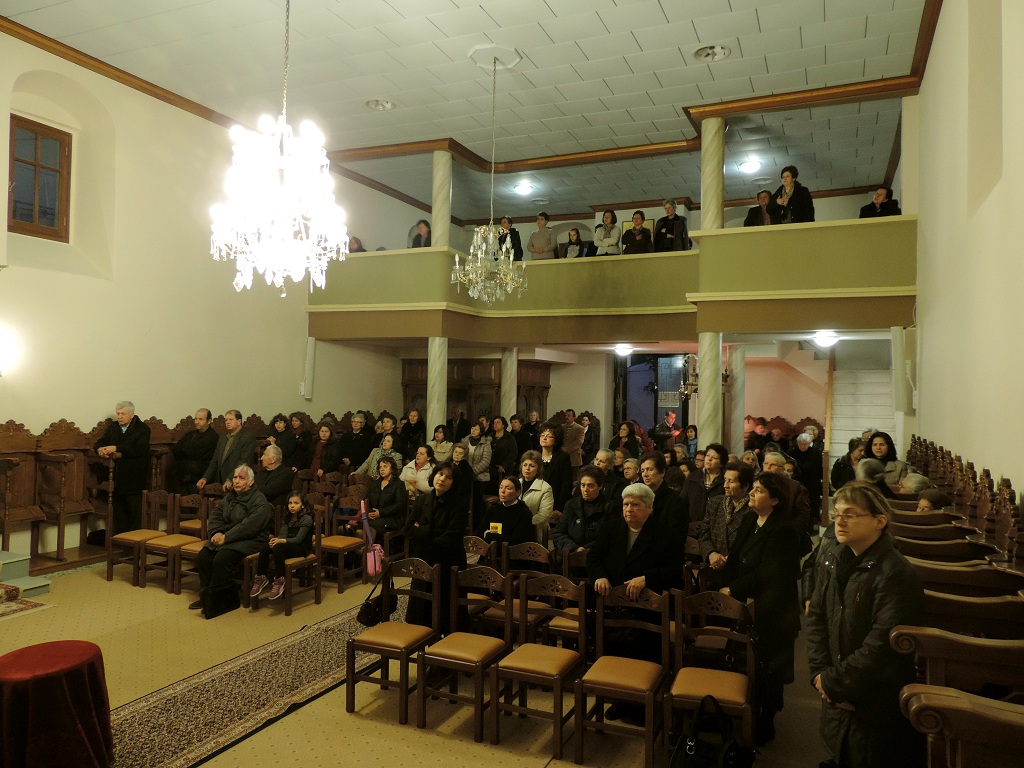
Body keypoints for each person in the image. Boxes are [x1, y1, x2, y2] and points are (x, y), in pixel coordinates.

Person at [807, 482, 925, 768]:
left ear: (879, 522)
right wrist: (820, 675)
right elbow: (817, 618)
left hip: (875, 700)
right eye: (837, 513)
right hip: (837, 691)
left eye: (850, 514)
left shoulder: (895, 572)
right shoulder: (833, 559)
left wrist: (834, 682)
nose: (839, 521)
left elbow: (882, 644)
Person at [718, 471, 807, 745]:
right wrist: (724, 585)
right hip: (746, 601)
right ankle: (739, 708)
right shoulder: (750, 519)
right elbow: (735, 557)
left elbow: (769, 574)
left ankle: (766, 718)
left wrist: (733, 589)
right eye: (753, 489)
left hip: (773, 608)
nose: (752, 493)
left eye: (758, 491)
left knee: (769, 666)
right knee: (742, 659)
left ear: (775, 500)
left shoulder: (782, 529)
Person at [190, 464, 273, 611]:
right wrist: (216, 532)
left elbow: (249, 526)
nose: (236, 481)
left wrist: (226, 537)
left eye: (241, 478)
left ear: (251, 482)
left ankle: (217, 600)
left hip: (252, 539)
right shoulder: (230, 496)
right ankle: (206, 596)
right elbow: (216, 515)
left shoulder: (259, 500)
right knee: (203, 556)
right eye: (235, 477)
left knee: (221, 559)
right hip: (228, 537)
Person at [404, 463, 468, 637]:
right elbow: (408, 529)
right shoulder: (422, 500)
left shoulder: (459, 504)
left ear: (453, 483)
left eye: (449, 477)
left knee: (445, 613)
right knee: (421, 612)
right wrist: (432, 531)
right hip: (424, 561)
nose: (443, 479)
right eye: (440, 474)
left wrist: (423, 531)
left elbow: (451, 536)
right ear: (434, 476)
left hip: (448, 561)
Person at [94, 400, 151, 533]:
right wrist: (99, 449)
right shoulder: (114, 427)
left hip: (133, 478)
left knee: (134, 515)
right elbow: (101, 441)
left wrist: (116, 448)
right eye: (118, 413)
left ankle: (135, 543)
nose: (119, 417)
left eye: (123, 414)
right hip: (117, 479)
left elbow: (138, 449)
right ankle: (120, 541)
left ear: (131, 415)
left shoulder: (142, 429)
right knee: (119, 516)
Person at [249, 491, 314, 601]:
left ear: (303, 505)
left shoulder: (307, 519)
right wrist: (275, 540)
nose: (292, 506)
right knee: (266, 546)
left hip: (302, 547)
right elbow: (282, 535)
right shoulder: (288, 518)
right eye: (290, 503)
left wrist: (281, 541)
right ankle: (261, 576)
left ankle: (280, 579)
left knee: (278, 547)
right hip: (288, 545)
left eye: (296, 503)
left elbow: (298, 539)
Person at [698, 461, 754, 582]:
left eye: (731, 482)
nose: (725, 485)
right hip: (713, 569)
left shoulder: (753, 509)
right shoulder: (715, 503)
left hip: (740, 572)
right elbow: (704, 533)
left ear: (745, 486)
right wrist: (711, 553)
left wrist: (730, 559)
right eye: (725, 480)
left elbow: (752, 544)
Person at [553, 465, 612, 554]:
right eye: (583, 485)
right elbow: (558, 532)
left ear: (600, 486)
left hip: (597, 556)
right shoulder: (571, 505)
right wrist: (574, 548)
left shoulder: (608, 507)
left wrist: (586, 550)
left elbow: (608, 537)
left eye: (590, 486)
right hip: (571, 555)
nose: (585, 490)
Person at [198, 410, 256, 490]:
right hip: (219, 480)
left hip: (237, 481)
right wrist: (205, 478)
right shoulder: (223, 437)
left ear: (239, 422)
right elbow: (215, 460)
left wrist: (230, 479)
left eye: (231, 419)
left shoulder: (247, 437)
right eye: (226, 420)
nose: (227, 422)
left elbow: (244, 461)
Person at [639, 451, 688, 542]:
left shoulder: (674, 500)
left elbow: (677, 535)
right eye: (643, 471)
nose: (645, 474)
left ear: (662, 472)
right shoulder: (641, 497)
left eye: (650, 469)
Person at [763, 451, 815, 533]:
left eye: (773, 465)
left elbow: (803, 515)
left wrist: (788, 530)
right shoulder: (757, 484)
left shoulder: (795, 488)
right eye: (766, 463)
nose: (768, 467)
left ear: (782, 469)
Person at [679, 442, 729, 527]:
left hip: (717, 526)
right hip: (693, 526)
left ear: (721, 463)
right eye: (707, 456)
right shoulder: (693, 477)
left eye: (714, 458)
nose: (709, 459)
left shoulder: (725, 480)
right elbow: (683, 502)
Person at [170, 408, 218, 495]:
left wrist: (185, 450)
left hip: (198, 477)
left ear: (209, 421)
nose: (196, 422)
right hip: (183, 475)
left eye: (200, 419)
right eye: (196, 419)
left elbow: (197, 453)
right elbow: (176, 449)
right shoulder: (190, 434)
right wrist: (187, 450)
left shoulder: (212, 437)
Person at [476, 477, 534, 548]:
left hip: (515, 553)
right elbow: (479, 535)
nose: (503, 491)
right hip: (491, 552)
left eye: (508, 488)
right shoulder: (493, 510)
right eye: (501, 487)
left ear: (518, 493)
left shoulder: (524, 513)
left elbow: (516, 541)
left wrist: (490, 536)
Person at [365, 455, 408, 541]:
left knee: (369, 526)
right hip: (375, 517)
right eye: (380, 467)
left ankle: (370, 548)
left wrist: (380, 512)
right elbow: (367, 500)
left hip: (393, 519)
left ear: (392, 469)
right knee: (361, 525)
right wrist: (369, 513)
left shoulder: (399, 484)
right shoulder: (375, 484)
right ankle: (362, 548)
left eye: (385, 466)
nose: (382, 469)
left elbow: (399, 505)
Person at [538, 423, 573, 517]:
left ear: (556, 440)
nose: (544, 438)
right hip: (536, 502)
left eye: (549, 436)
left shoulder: (563, 458)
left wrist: (559, 508)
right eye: (542, 435)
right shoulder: (534, 456)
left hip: (554, 502)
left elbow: (566, 485)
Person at [518, 451, 554, 543]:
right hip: (515, 530)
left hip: (536, 532)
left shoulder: (545, 488)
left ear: (538, 469)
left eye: (532, 466)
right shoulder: (515, 483)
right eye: (525, 465)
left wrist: (523, 523)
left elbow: (544, 515)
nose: (527, 468)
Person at [793, 432, 823, 526]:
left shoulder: (816, 453)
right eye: (800, 444)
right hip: (798, 482)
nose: (802, 446)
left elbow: (820, 468)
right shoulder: (792, 452)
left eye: (805, 444)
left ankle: (811, 523)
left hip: (812, 483)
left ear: (809, 444)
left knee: (811, 504)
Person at [464, 423, 492, 519]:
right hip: (465, 476)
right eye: (472, 428)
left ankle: (478, 523)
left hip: (480, 477)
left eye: (476, 429)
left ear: (481, 431)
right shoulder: (465, 441)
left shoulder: (486, 443)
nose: (473, 430)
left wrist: (472, 472)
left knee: (477, 502)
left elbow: (486, 461)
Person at [488, 416, 518, 489]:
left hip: (505, 469)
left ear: (503, 425)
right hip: (491, 468)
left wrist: (504, 465)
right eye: (494, 423)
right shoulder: (490, 436)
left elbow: (513, 453)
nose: (495, 424)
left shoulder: (509, 437)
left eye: (498, 422)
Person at [561, 408, 585, 474]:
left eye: (569, 416)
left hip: (574, 457)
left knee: (574, 476)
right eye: (566, 415)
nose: (566, 417)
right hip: (563, 456)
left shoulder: (579, 428)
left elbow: (579, 442)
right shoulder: (562, 427)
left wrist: (567, 449)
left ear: (574, 417)